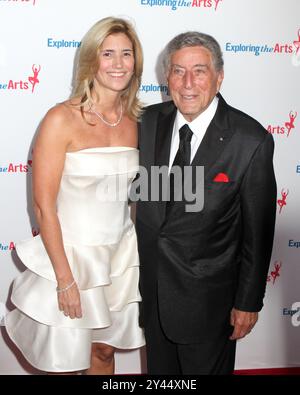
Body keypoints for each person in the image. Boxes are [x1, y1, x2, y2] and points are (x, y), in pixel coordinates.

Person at [5, 17, 145, 375]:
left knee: (103, 352)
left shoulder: (139, 121)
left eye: (126, 54)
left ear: (136, 61)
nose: (118, 63)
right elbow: (43, 205)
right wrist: (65, 278)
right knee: (66, 358)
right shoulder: (61, 119)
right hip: (72, 256)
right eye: (107, 53)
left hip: (121, 254)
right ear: (90, 61)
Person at [136, 31, 277, 374]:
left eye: (199, 71)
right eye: (178, 71)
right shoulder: (148, 121)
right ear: (166, 76)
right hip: (153, 298)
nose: (187, 83)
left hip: (209, 306)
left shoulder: (250, 140)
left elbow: (257, 234)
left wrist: (248, 302)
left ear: (219, 76)